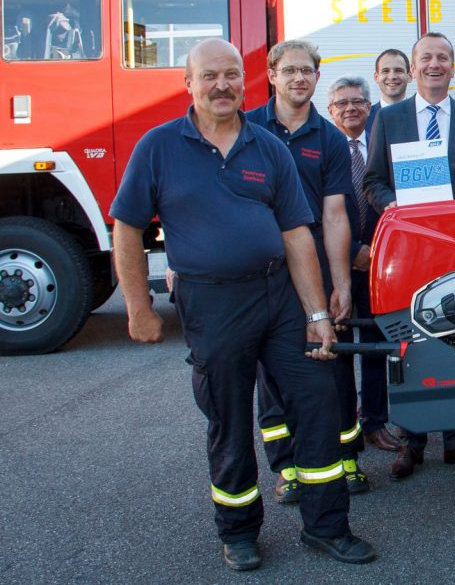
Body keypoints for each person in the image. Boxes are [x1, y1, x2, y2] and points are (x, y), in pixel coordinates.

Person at [110, 38, 377, 571]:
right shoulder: (158, 147)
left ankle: (327, 527)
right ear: (189, 84)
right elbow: (128, 227)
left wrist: (316, 314)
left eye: (231, 74)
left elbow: (297, 234)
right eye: (209, 76)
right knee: (228, 421)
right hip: (212, 302)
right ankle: (238, 532)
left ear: (246, 80)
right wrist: (138, 308)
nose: (222, 85)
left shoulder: (268, 148)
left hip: (279, 296)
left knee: (318, 403)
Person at [364, 31, 455, 480]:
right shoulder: (390, 118)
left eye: (443, 57)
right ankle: (412, 440)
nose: (434, 65)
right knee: (410, 346)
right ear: (413, 67)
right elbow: (373, 181)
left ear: (453, 66)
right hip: (408, 252)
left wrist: (454, 217)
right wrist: (395, 207)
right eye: (426, 58)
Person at [245, 40, 370, 498]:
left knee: (333, 361)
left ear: (317, 78)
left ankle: (346, 459)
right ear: (272, 75)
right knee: (273, 366)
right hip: (262, 263)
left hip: (314, 253)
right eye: (290, 70)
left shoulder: (330, 139)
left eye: (308, 71)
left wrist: (341, 284)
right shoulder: (247, 129)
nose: (300, 78)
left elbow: (336, 214)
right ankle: (286, 466)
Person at [326, 75, 403, 455]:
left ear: (370, 107)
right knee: (338, 346)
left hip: (379, 262)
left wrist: (373, 249)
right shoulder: (324, 147)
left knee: (376, 343)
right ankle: (344, 425)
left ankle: (375, 421)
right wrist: (351, 249)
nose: (350, 108)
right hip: (336, 263)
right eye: (341, 103)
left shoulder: (382, 141)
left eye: (357, 101)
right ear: (330, 110)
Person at [367, 48, 411, 132]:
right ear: (376, 77)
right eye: (385, 71)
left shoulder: (420, 115)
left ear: (410, 76)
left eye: (398, 70)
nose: (392, 77)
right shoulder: (364, 118)